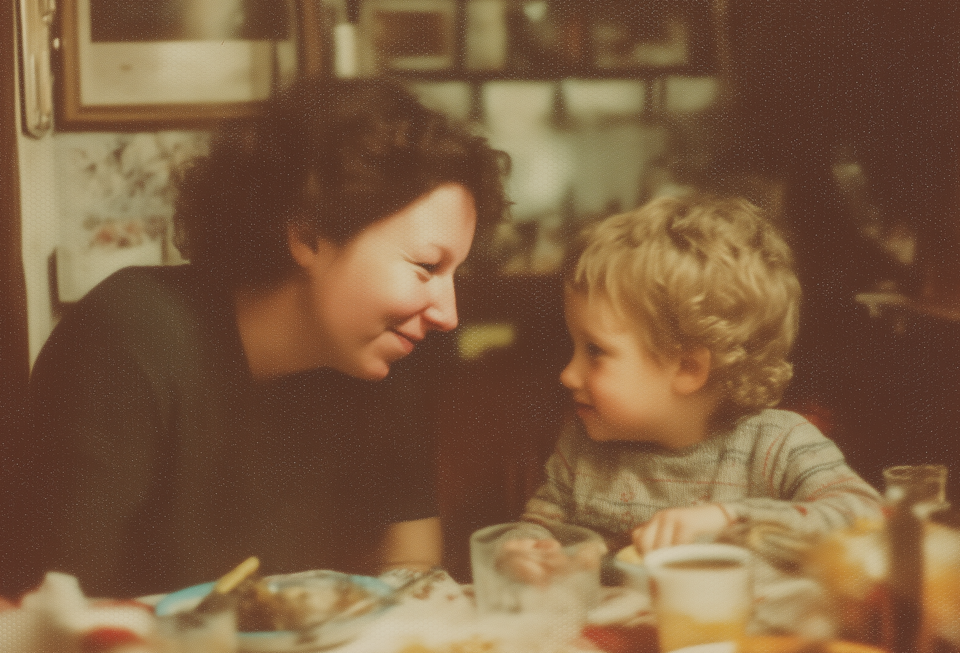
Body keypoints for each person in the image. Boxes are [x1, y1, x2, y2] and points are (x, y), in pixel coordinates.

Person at [2, 78, 509, 599]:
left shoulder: (386, 357)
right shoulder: (127, 340)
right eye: (426, 267)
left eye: (454, 273)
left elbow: (411, 563)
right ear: (308, 235)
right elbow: (48, 610)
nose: (448, 314)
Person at [510, 194, 882, 570]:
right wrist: (526, 553)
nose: (568, 374)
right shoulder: (582, 448)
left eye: (595, 350)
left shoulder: (777, 446)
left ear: (688, 367)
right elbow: (537, 530)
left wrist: (731, 518)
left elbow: (867, 515)